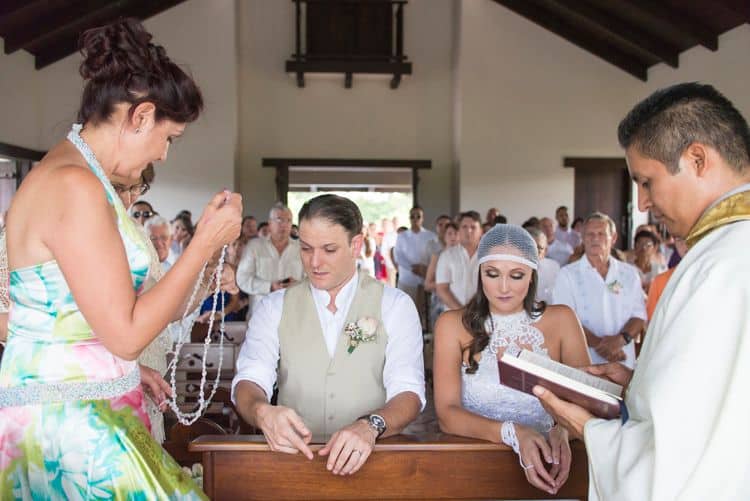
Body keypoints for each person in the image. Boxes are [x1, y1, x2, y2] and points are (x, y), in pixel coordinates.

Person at [0, 18, 241, 498]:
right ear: (141, 116)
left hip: (89, 401)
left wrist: (205, 277)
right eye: (168, 139)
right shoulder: (74, 185)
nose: (164, 156)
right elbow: (127, 334)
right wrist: (203, 243)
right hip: (67, 426)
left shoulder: (82, 178)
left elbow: (112, 316)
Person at [536, 82, 750, 500]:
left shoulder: (723, 266)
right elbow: (720, 404)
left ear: (698, 159)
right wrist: (638, 387)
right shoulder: (723, 254)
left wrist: (587, 429)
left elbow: (684, 466)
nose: (644, 202)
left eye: (647, 181)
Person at [232, 194, 424, 476]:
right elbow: (249, 379)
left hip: (375, 462)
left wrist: (371, 427)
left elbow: (409, 392)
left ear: (355, 245)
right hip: (294, 462)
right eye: (306, 249)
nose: (315, 262)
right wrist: (262, 412)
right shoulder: (275, 306)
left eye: (329, 249)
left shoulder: (394, 304)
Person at [433, 224, 590, 495]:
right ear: (479, 272)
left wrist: (564, 430)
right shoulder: (451, 325)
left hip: (551, 466)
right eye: (492, 274)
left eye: (516, 275)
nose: (503, 287)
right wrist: (513, 432)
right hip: (475, 470)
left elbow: (587, 403)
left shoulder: (562, 319)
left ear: (532, 275)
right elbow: (447, 414)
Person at [552, 212, 646, 369]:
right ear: (582, 237)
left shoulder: (629, 273)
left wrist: (620, 341)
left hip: (623, 361)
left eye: (601, 234)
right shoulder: (567, 275)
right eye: (590, 234)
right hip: (584, 362)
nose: (595, 238)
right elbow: (564, 321)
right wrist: (604, 347)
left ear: (613, 238)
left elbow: (639, 315)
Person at [236, 202, 304, 311]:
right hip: (261, 313)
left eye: (288, 220)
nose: (284, 224)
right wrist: (270, 287)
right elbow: (242, 279)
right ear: (269, 223)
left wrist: (298, 285)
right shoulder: (254, 246)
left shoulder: (300, 249)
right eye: (279, 220)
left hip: (293, 313)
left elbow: (312, 280)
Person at [393, 207, 437, 328]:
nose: (415, 219)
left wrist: (425, 268)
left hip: (425, 277)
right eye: (413, 216)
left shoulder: (430, 235)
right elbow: (398, 256)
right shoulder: (402, 236)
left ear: (422, 218)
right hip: (407, 278)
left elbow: (435, 255)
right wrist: (413, 268)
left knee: (424, 312)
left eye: (418, 216)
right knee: (405, 310)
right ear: (409, 218)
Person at [435, 211, 482, 310]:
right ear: (459, 230)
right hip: (453, 314)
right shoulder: (447, 255)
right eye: (464, 227)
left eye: (473, 227)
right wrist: (461, 312)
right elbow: (442, 289)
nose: (468, 230)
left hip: (481, 315)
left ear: (481, 231)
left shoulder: (488, 256)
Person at [526, 226, 559, 304]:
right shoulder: (511, 268)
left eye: (539, 248)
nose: (534, 252)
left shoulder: (554, 267)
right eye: (530, 247)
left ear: (545, 251)